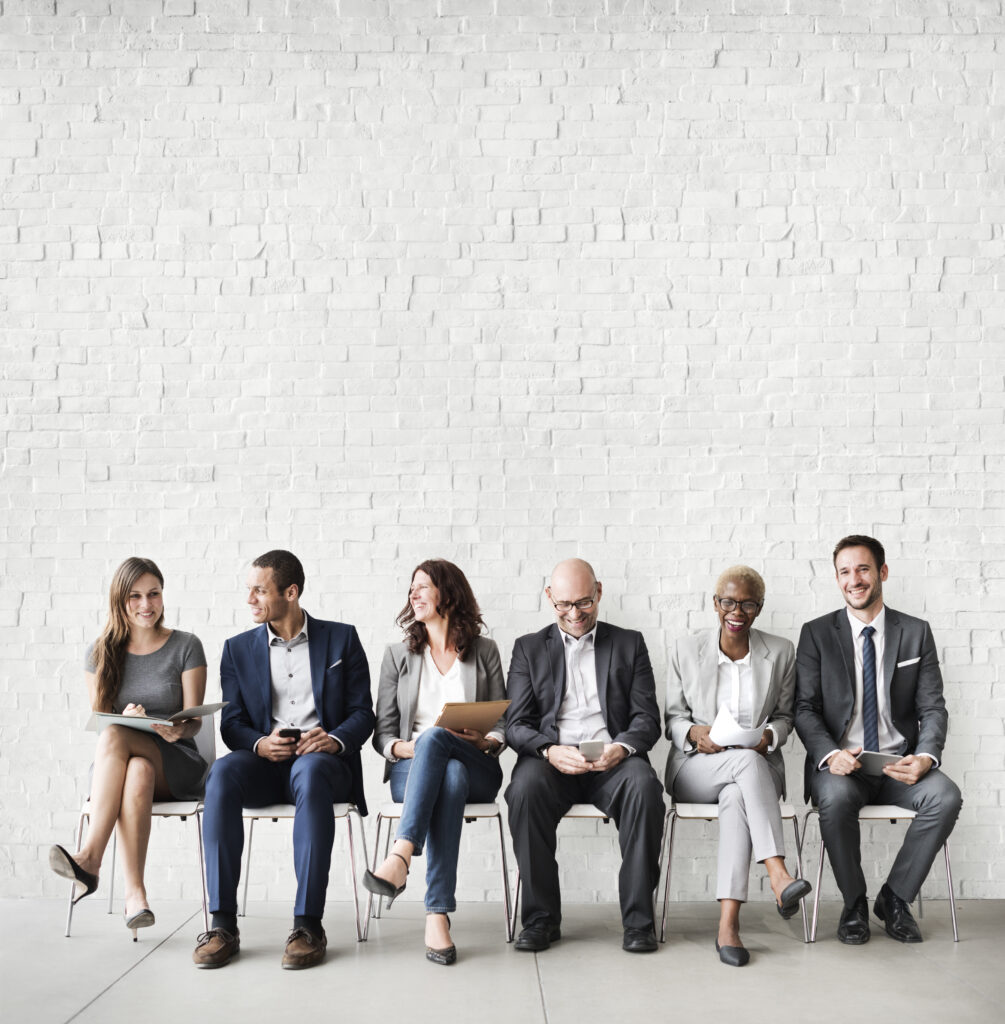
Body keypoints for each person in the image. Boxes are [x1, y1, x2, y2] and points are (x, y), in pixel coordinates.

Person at [193, 550, 374, 970]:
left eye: (260, 590)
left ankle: (308, 925)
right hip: (265, 764)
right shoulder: (236, 649)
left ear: (290, 593)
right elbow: (232, 722)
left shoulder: (341, 639)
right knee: (221, 772)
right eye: (249, 589)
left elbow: (363, 712)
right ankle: (222, 924)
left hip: (323, 765)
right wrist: (259, 744)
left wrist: (333, 740)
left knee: (309, 772)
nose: (250, 599)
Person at [795, 535, 962, 945]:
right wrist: (830, 754)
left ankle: (895, 898)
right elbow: (804, 708)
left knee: (946, 797)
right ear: (837, 579)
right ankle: (854, 903)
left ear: (882, 572)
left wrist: (926, 756)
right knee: (833, 799)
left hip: (897, 765)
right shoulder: (816, 634)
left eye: (863, 569)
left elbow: (933, 708)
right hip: (843, 768)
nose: (855, 580)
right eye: (845, 572)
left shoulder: (915, 632)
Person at [505, 558, 665, 954]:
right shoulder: (528, 648)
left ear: (599, 592)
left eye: (584, 603)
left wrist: (622, 748)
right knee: (522, 790)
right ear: (548, 597)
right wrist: (549, 750)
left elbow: (647, 719)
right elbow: (515, 724)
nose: (574, 614)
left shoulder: (629, 643)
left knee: (645, 788)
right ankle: (541, 920)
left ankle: (639, 923)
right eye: (563, 605)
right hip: (552, 759)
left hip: (613, 757)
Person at [49, 557, 208, 940]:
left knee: (121, 740)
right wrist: (124, 715)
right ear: (119, 600)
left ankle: (89, 859)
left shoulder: (186, 646)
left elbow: (195, 721)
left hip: (176, 762)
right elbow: (101, 722)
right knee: (136, 769)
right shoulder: (100, 652)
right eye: (135, 596)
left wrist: (177, 729)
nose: (146, 604)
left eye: (153, 594)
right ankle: (136, 896)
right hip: (120, 768)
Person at [664, 565, 811, 966]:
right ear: (715, 604)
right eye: (728, 601)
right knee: (742, 766)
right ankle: (779, 874)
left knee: (736, 797)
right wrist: (695, 733)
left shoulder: (780, 652)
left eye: (747, 603)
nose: (737, 611)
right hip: (696, 768)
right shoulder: (685, 648)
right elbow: (672, 718)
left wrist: (770, 737)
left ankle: (728, 924)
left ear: (759, 608)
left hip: (754, 772)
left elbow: (785, 717)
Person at [364, 559, 506, 965]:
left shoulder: (484, 651)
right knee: (448, 771)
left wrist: (487, 738)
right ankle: (437, 914)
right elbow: (384, 734)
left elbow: (504, 722)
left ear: (449, 593)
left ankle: (401, 856)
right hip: (413, 768)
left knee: (446, 749)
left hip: (476, 759)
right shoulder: (398, 656)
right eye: (412, 588)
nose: (414, 594)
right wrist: (408, 747)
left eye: (424, 586)